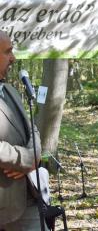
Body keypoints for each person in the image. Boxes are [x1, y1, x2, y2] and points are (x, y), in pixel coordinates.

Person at [0, 31, 45, 230]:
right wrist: (26, 160)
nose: (13, 58)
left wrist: (33, 157)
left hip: (29, 198)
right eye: (7, 52)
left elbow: (32, 128)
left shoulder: (10, 90)